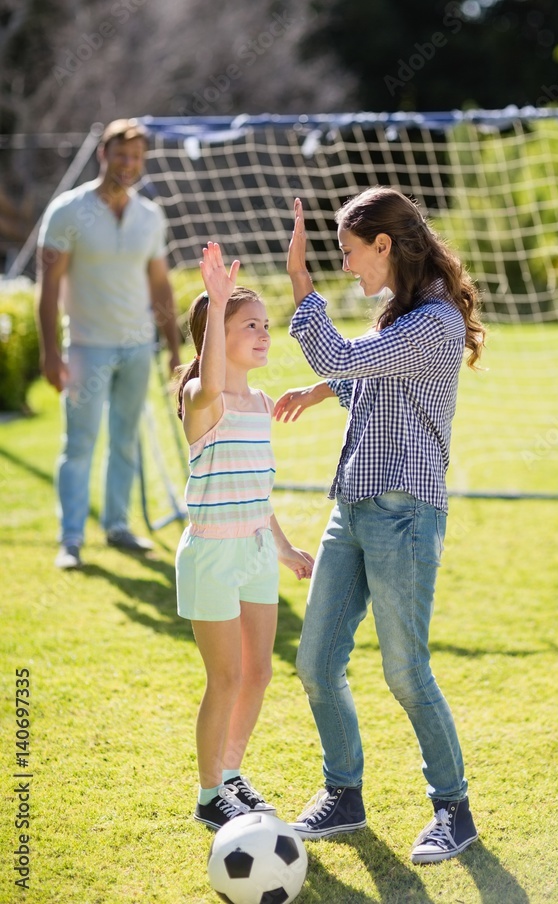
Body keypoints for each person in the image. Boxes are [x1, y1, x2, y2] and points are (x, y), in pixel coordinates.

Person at [274, 187, 485, 864]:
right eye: (332, 256)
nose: (345, 266)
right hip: (352, 509)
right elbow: (362, 372)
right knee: (314, 663)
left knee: (404, 670)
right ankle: (343, 793)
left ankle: (452, 810)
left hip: (405, 518)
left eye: (346, 253)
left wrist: (299, 282)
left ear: (384, 246)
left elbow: (346, 358)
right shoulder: (398, 318)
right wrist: (315, 390)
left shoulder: (435, 322)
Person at [174, 242, 314, 830]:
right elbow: (207, 382)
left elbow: (255, 492)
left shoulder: (259, 402)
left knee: (259, 673)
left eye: (264, 325)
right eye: (247, 324)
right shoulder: (200, 398)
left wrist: (284, 550)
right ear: (215, 333)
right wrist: (218, 296)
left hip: (255, 548)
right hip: (211, 554)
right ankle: (210, 795)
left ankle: (231, 773)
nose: (263, 333)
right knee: (225, 677)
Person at [37, 118, 181, 569]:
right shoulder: (67, 211)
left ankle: (118, 526)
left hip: (138, 347)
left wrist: (175, 347)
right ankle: (71, 540)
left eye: (136, 157)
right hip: (85, 345)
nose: (128, 163)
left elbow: (160, 285)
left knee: (126, 440)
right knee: (79, 443)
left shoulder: (150, 216)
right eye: (121, 154)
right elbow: (48, 287)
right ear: (104, 155)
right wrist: (50, 353)